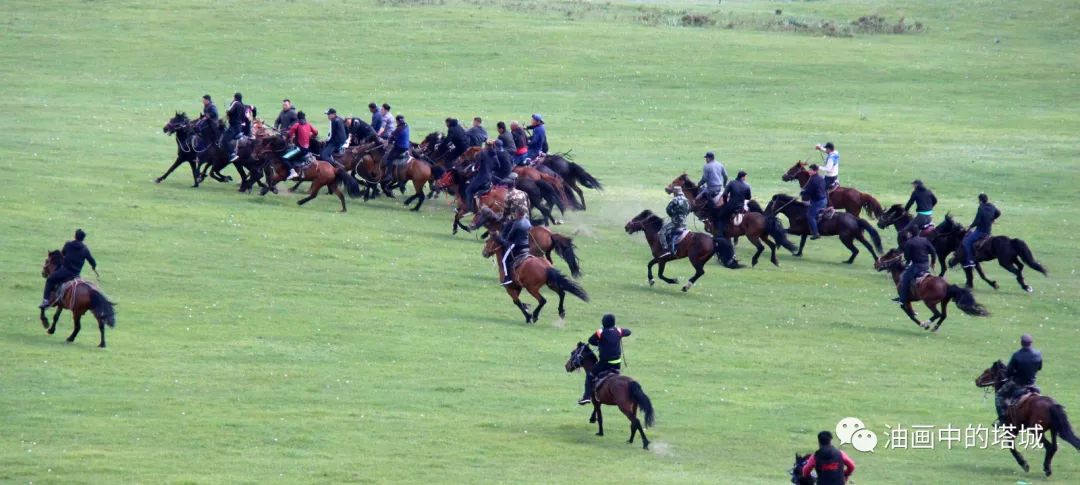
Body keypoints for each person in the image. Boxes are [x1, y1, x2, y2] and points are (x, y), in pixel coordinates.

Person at [579, 314, 631, 405]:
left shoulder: (600, 332)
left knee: (590, 375)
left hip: (604, 363)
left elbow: (591, 340)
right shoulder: (619, 331)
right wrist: (618, 331)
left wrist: (600, 343)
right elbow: (629, 332)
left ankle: (586, 397)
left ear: (603, 322)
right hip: (617, 364)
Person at [40, 229, 97, 309]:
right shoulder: (85, 249)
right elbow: (92, 261)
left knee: (50, 279)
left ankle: (45, 301)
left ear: (75, 236)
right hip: (76, 275)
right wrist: (93, 266)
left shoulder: (68, 244)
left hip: (65, 271)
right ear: (83, 239)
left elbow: (62, 254)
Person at [996, 334, 1042, 425]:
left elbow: (1008, 372)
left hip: (1018, 384)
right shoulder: (1038, 354)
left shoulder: (1017, 355)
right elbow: (1039, 368)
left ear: (1021, 343)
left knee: (999, 396)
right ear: (1031, 343)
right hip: (1032, 384)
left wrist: (1012, 375)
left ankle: (1002, 419)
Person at [711, 171, 751, 268]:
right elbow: (748, 197)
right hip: (741, 207)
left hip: (731, 206)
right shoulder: (746, 186)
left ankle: (720, 233)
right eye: (745, 177)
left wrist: (725, 203)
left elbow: (725, 194)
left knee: (720, 216)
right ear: (743, 177)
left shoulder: (732, 183)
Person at [892, 230, 937, 304]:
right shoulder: (925, 240)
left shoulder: (909, 242)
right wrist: (933, 262)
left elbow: (907, 257)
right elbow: (933, 251)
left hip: (917, 266)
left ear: (910, 233)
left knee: (904, 278)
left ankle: (902, 299)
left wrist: (907, 262)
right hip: (926, 265)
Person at [961, 193, 1000, 268]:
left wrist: (970, 227)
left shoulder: (981, 208)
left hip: (980, 232)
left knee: (966, 242)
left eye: (979, 200)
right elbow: (998, 213)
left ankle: (970, 260)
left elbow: (977, 221)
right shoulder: (992, 206)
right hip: (988, 231)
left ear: (980, 200)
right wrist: (992, 219)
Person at [497, 207, 532, 285]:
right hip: (527, 245)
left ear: (517, 214)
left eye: (515, 213)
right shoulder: (528, 221)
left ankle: (507, 278)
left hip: (516, 245)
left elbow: (510, 235)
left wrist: (504, 239)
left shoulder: (516, 223)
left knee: (504, 260)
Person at [284, 111, 318, 179]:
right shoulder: (309, 125)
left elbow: (289, 134)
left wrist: (286, 137)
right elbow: (316, 132)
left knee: (284, 158)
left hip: (299, 149)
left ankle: (293, 172)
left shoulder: (297, 125)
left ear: (298, 117)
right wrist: (311, 135)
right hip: (307, 149)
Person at [659, 186, 690, 258]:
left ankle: (666, 250)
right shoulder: (687, 200)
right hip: (684, 223)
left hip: (675, 223)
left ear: (675, 193)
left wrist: (672, 215)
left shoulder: (675, 200)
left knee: (662, 232)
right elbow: (688, 210)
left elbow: (668, 209)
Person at [463, 143, 494, 212]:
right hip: (490, 177)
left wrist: (473, 169)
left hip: (482, 177)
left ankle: (469, 208)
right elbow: (497, 165)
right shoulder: (493, 154)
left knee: (468, 190)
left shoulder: (481, 154)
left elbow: (476, 166)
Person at [801, 164, 828, 239]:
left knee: (810, 216)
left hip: (818, 202)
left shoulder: (813, 180)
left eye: (810, 170)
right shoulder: (821, 178)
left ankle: (816, 233)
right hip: (824, 199)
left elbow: (809, 191)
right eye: (809, 169)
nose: (809, 171)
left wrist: (803, 192)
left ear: (815, 171)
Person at [382, 114, 411, 182]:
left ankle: (389, 175)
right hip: (407, 146)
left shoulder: (399, 128)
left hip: (400, 147)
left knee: (389, 158)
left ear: (397, 121)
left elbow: (392, 138)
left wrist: (387, 144)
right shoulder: (406, 126)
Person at [224, 92, 246, 161]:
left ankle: (232, 154)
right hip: (239, 127)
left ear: (235, 98)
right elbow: (243, 117)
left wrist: (227, 111)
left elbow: (230, 111)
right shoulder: (243, 106)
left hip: (233, 127)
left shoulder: (235, 103)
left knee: (225, 140)